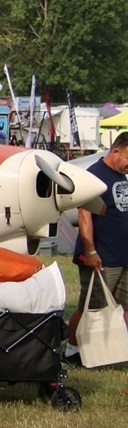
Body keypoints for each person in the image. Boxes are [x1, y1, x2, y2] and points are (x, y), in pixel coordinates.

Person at [64, 132, 128, 366]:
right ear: (116, 150)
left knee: (124, 305)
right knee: (92, 307)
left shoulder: (122, 176)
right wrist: (90, 250)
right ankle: (72, 350)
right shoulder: (94, 176)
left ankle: (118, 352)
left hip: (124, 254)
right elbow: (84, 215)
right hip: (102, 254)